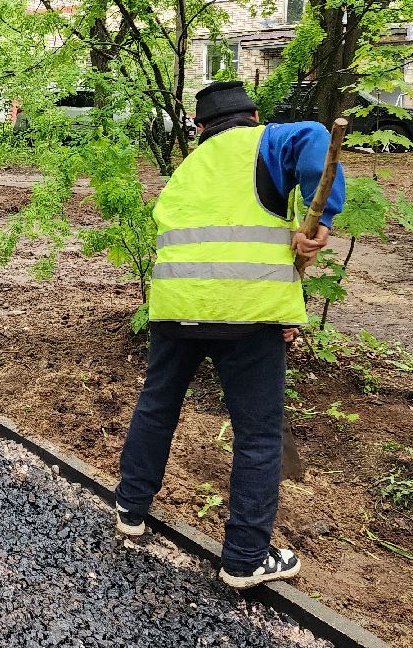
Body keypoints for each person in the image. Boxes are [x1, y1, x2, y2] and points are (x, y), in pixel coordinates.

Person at [113, 79, 344, 590]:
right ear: (254, 116)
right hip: (246, 316)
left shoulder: (185, 171)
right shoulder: (265, 142)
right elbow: (314, 137)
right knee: (257, 435)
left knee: (157, 407)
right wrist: (321, 217)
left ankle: (130, 509)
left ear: (199, 128)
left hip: (174, 311)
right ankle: (244, 559)